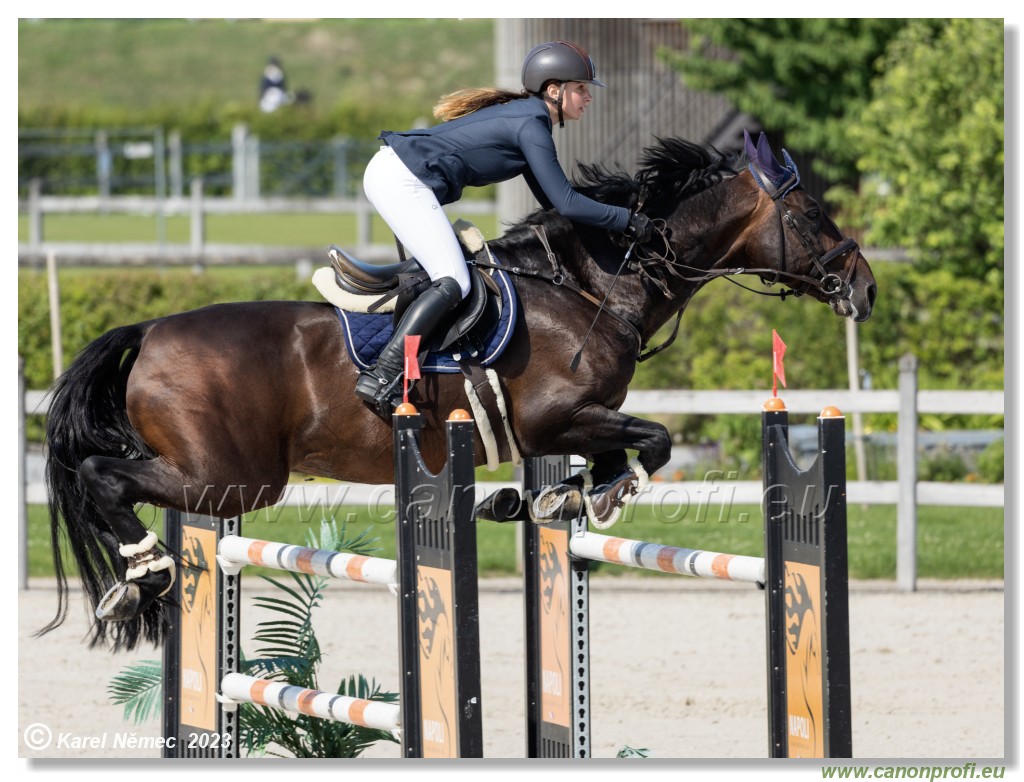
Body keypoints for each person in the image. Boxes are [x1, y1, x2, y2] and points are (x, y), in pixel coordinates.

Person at [354, 40, 654, 414]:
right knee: (455, 280)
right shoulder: (531, 125)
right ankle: (382, 374)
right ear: (554, 90)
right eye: (580, 89)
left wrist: (611, 226)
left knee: (450, 273)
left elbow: (553, 203)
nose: (587, 98)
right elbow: (564, 202)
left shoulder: (529, 118)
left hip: (397, 174)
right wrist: (626, 220)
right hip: (401, 179)